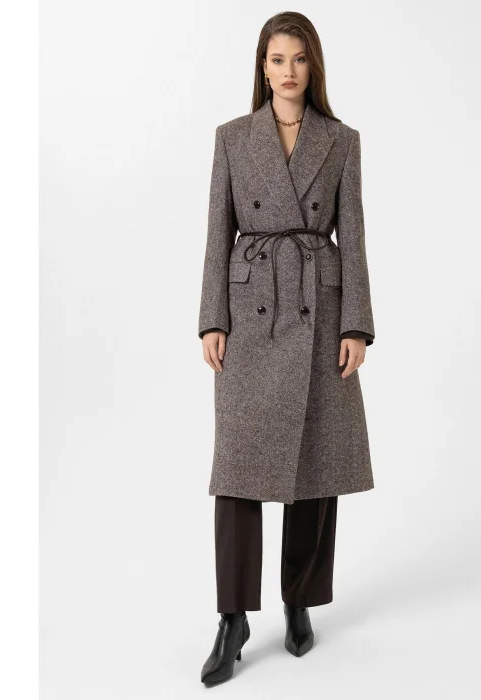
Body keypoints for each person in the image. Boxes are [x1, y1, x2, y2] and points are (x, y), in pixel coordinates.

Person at [198, 11, 376, 685]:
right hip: (250, 314)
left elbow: (353, 237)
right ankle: (233, 618)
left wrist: (355, 325)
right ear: (262, 67)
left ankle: (299, 599)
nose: (288, 71)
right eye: (277, 59)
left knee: (314, 464)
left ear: (313, 66)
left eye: (299, 59)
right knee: (237, 468)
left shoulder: (341, 141)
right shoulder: (231, 138)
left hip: (318, 310)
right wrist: (212, 318)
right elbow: (217, 232)